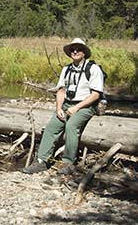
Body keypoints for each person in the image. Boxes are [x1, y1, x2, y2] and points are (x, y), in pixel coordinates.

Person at [23, 38, 104, 175]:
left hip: (86, 105)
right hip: (67, 104)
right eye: (72, 49)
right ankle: (41, 161)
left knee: (71, 125)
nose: (75, 51)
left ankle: (68, 163)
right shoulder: (66, 69)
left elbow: (96, 95)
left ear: (84, 52)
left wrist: (77, 107)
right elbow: (61, 90)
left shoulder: (93, 69)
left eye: (78, 49)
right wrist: (59, 108)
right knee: (51, 127)